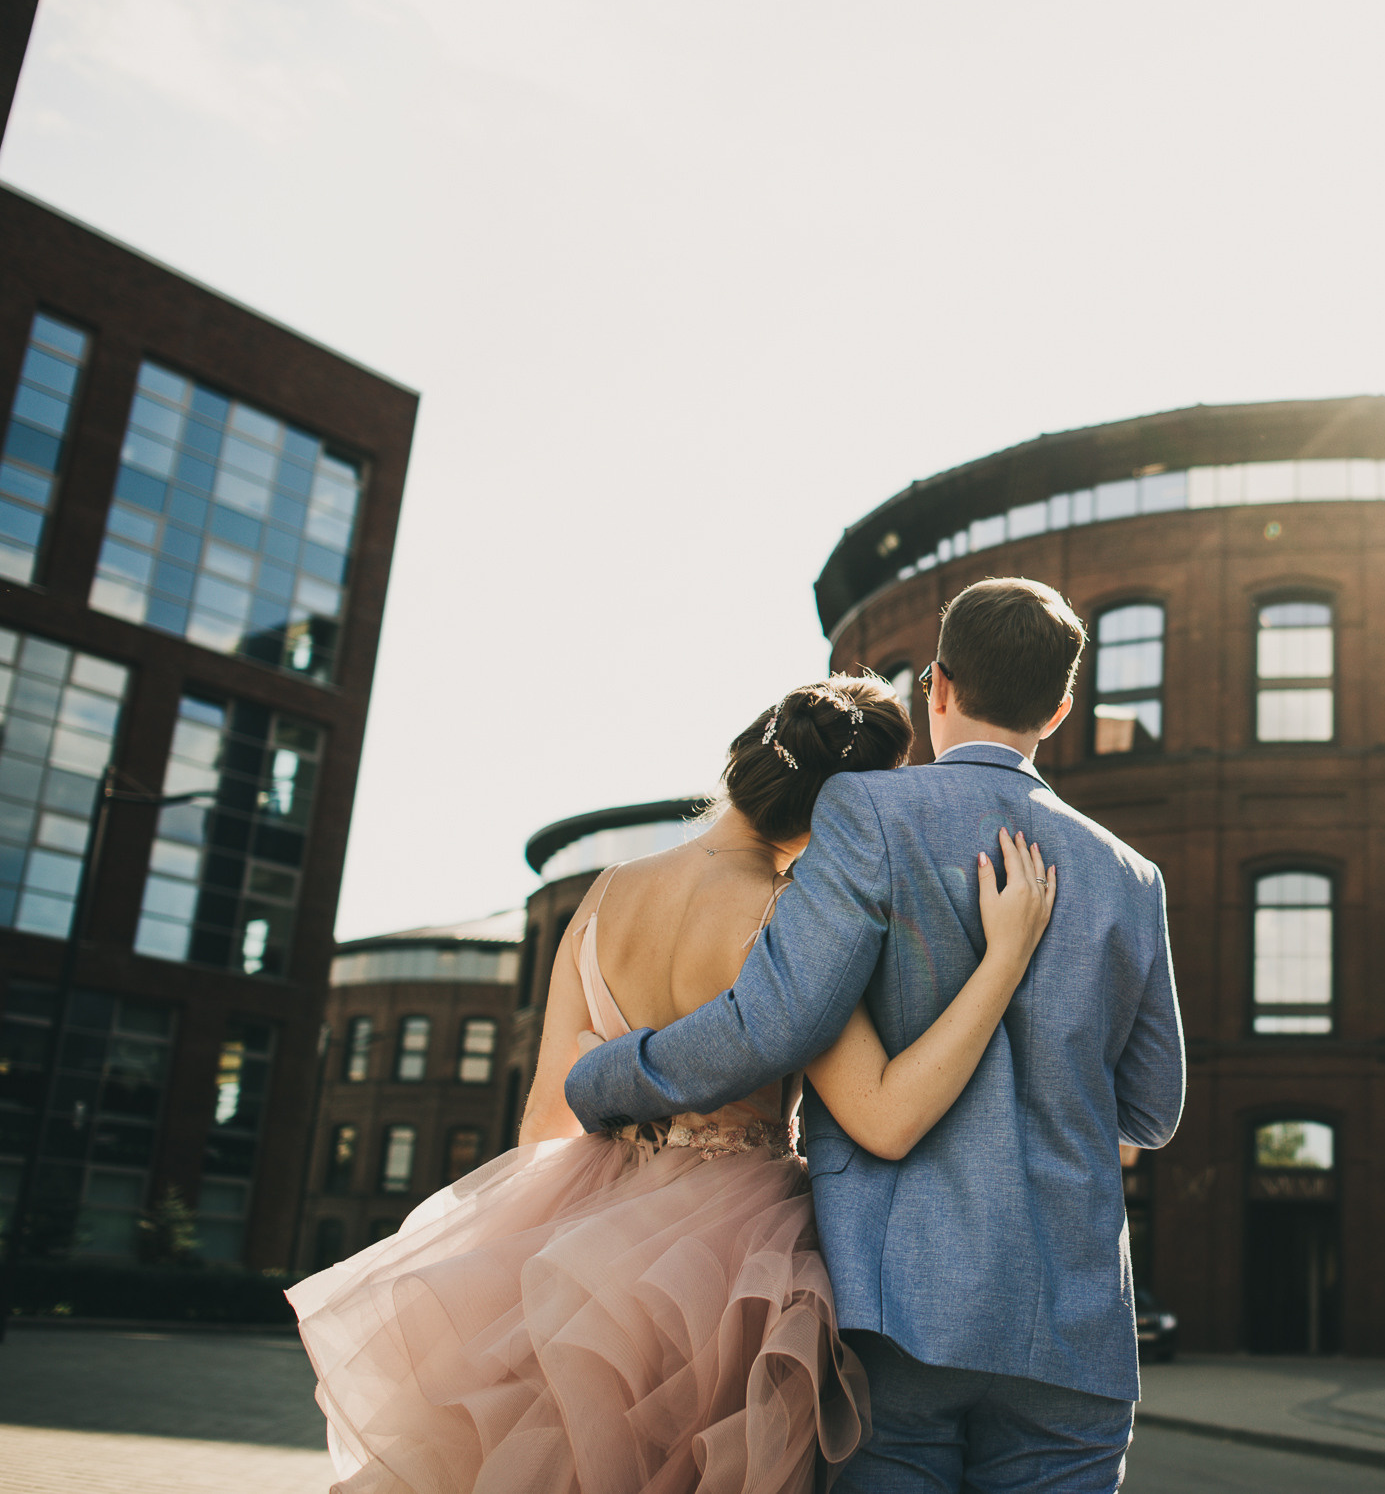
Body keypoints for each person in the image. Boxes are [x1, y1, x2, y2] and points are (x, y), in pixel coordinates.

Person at [290, 675, 1061, 1494]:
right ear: (844, 809)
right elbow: (885, 1113)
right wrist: (1004, 961)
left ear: (742, 758)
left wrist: (559, 1251)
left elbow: (547, 1120)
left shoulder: (604, 895)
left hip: (580, 1241)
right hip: (737, 1262)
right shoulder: (793, 918)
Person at [567, 576, 1186, 1494]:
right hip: (1076, 1325)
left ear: (935, 684)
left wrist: (604, 1078)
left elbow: (769, 1023)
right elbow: (1153, 1110)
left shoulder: (867, 814)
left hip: (899, 1315)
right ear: (1058, 711)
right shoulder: (1131, 877)